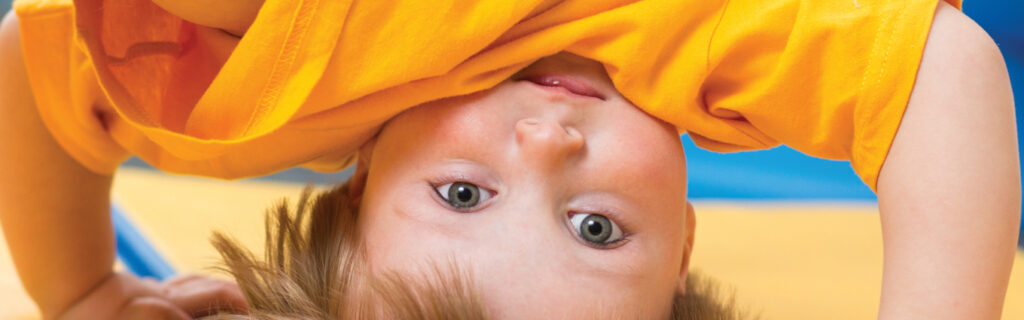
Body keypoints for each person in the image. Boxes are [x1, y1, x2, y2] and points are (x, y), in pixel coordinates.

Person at [0, 0, 1018, 318]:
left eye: (462, 192)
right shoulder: (702, 44)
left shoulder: (267, 91)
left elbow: (40, 71)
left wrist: (77, 284)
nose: (549, 141)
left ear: (356, 190)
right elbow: (939, 72)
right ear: (682, 237)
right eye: (594, 226)